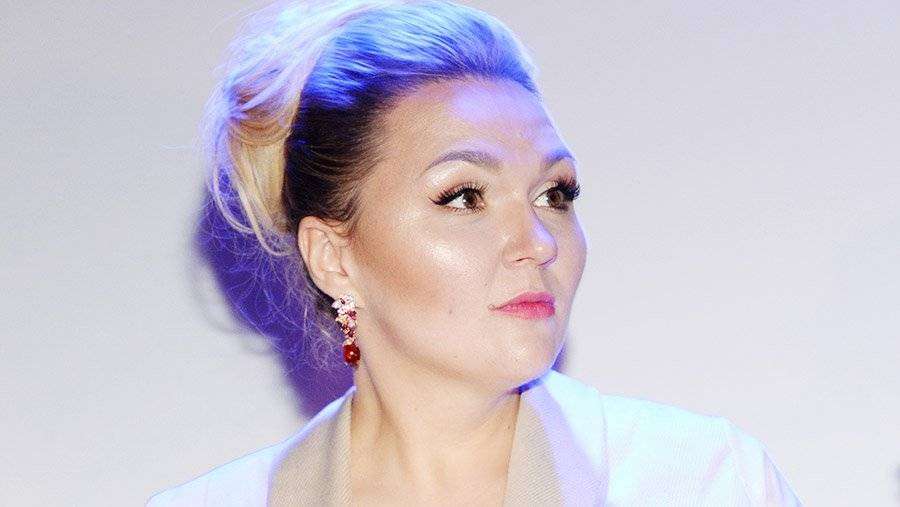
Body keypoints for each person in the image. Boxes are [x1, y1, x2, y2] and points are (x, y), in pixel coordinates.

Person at [148, 0, 803, 505]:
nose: (539, 241)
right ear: (333, 257)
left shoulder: (702, 481)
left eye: (554, 194)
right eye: (465, 197)